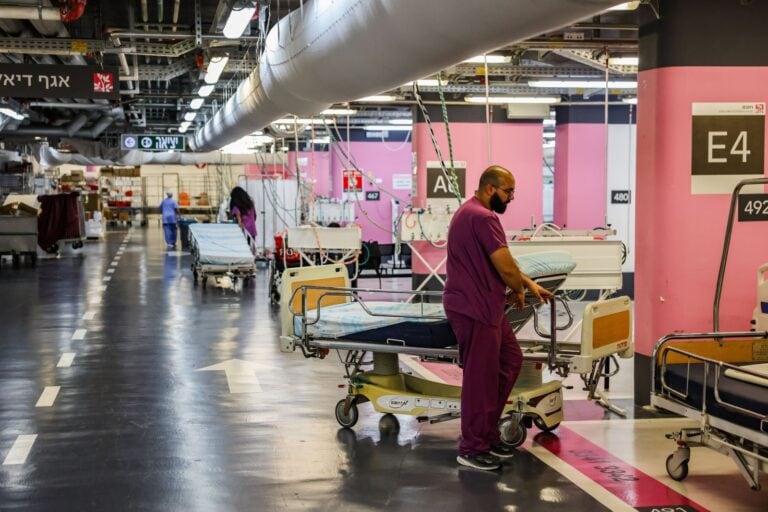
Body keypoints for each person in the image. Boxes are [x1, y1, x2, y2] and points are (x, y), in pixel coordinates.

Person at [443, 165, 553, 471]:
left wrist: (528, 284)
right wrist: (518, 289)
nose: (512, 198)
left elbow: (506, 261)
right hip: (474, 308)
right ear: (491, 188)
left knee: (509, 361)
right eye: (509, 191)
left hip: (487, 307)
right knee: (480, 380)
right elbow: (504, 267)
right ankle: (472, 447)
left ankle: (487, 434)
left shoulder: (472, 213)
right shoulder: (483, 216)